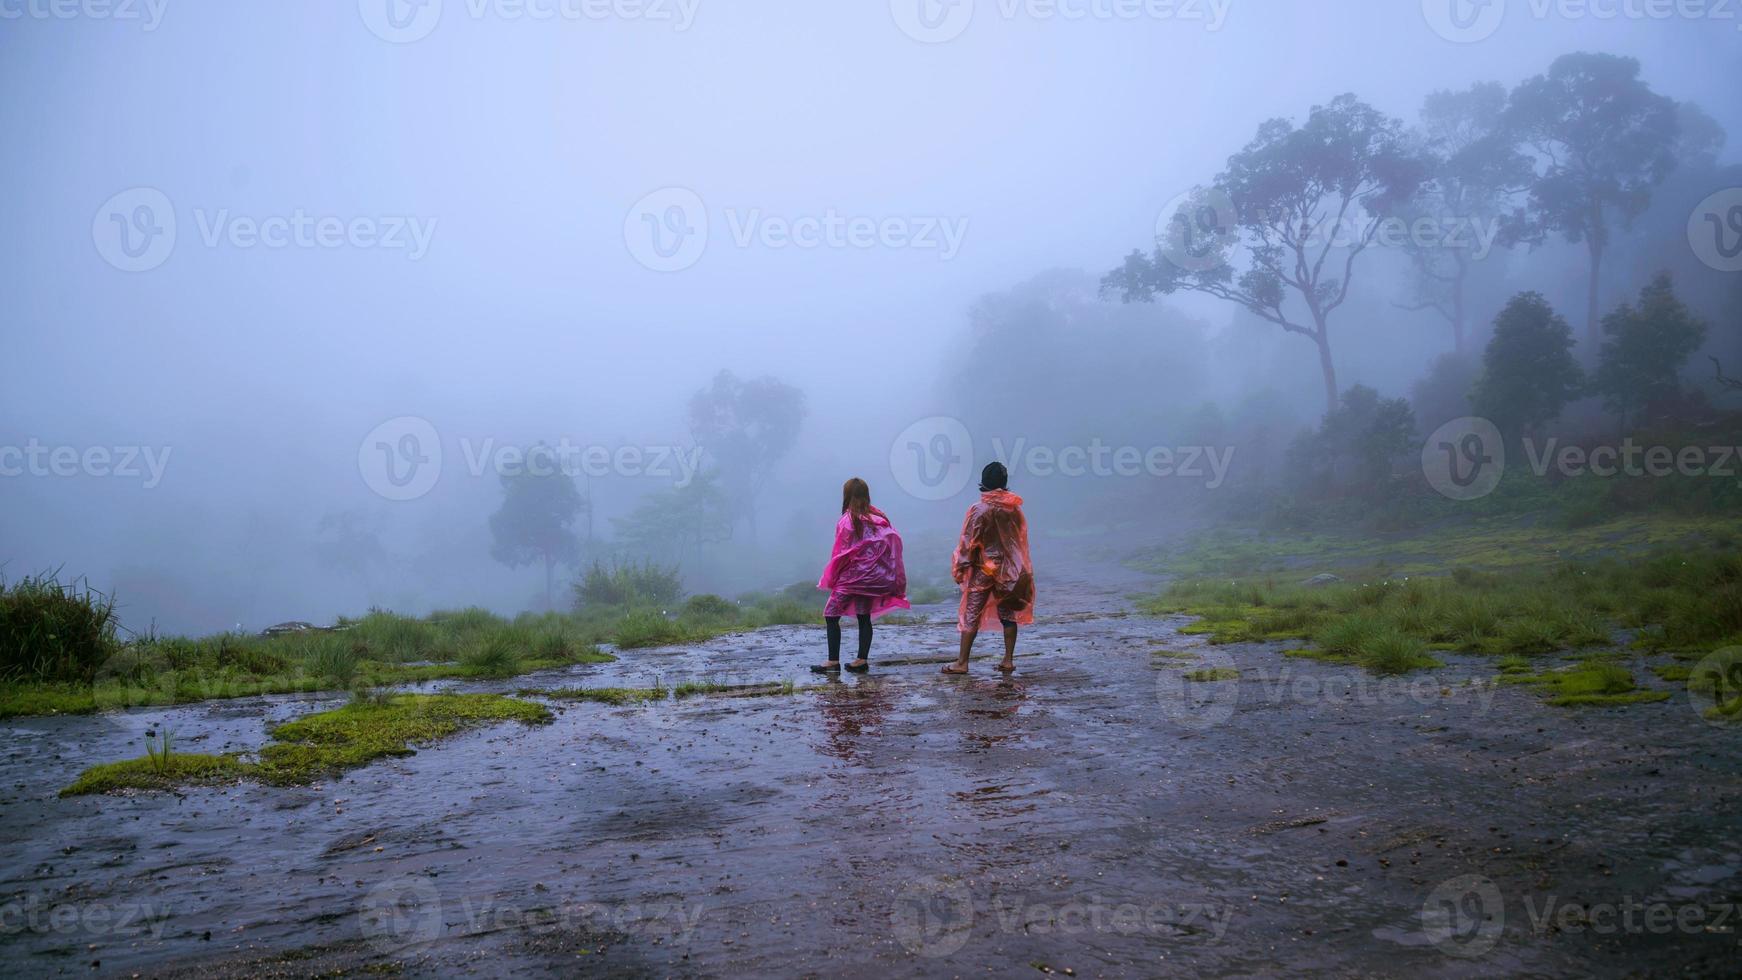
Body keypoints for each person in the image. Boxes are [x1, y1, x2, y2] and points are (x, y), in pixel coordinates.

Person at [943, 462, 1035, 675]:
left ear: (984, 482)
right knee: (1008, 612)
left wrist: (960, 567)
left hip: (984, 568)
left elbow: (968, 541)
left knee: (972, 613)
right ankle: (1008, 660)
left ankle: (962, 662)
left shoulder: (979, 509)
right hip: (1010, 569)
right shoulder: (1013, 509)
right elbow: (1019, 540)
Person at [814, 478, 909, 673]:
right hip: (872, 579)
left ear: (847, 496)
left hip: (851, 579)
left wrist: (833, 577)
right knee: (864, 617)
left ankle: (833, 662)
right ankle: (861, 660)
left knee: (831, 615)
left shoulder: (847, 521)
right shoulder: (878, 518)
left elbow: (840, 552)